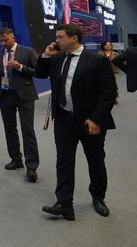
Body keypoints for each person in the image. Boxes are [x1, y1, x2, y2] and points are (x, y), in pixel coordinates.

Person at [35, 24, 116, 221]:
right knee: (64, 160)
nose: (57, 40)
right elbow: (40, 73)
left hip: (89, 121)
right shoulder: (57, 58)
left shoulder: (96, 60)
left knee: (95, 160)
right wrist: (45, 55)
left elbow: (109, 92)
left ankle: (98, 197)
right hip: (64, 119)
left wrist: (96, 118)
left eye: (60, 37)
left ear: (74, 38)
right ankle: (64, 203)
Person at [0, 28, 40, 182]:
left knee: (27, 130)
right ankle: (16, 159)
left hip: (25, 95)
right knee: (10, 129)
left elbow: (37, 72)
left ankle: (31, 167)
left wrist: (20, 67)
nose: (3, 43)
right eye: (0, 41)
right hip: (5, 94)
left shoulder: (28, 51)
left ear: (13, 37)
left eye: (6, 40)